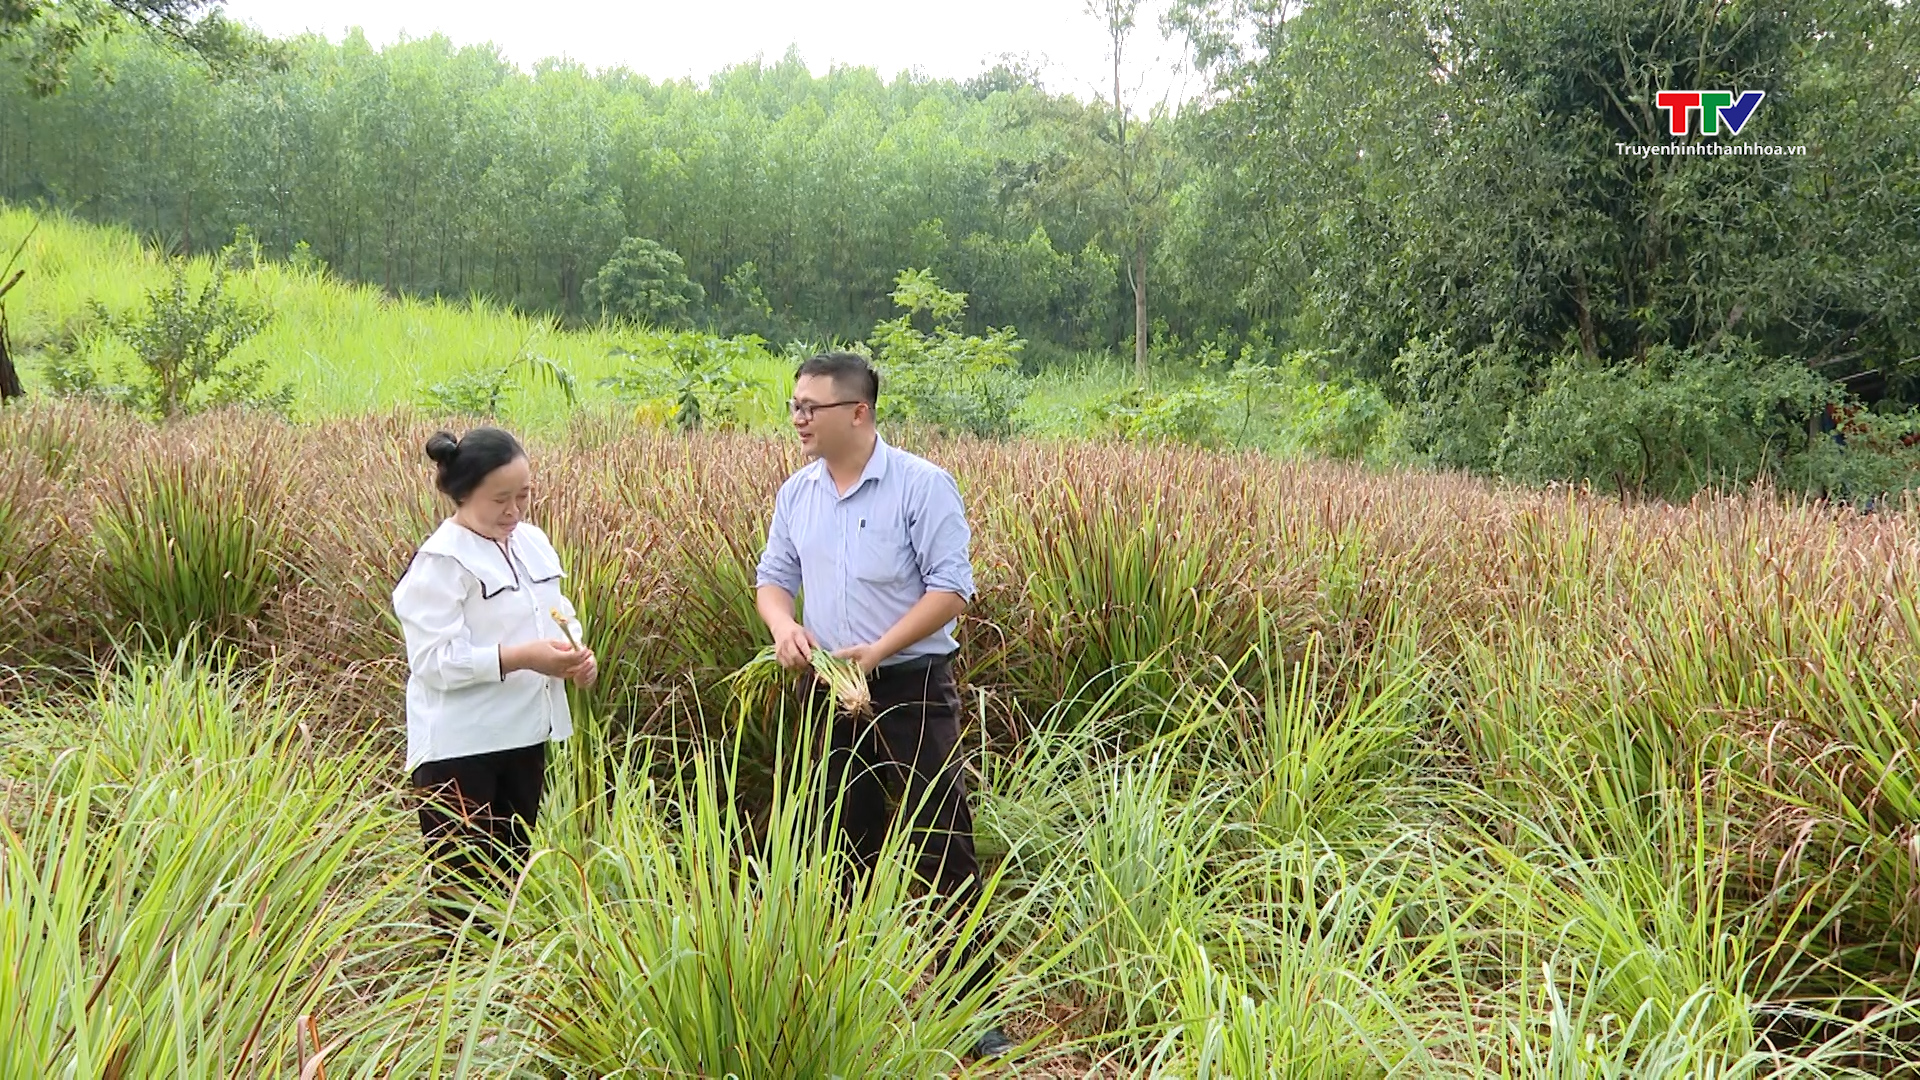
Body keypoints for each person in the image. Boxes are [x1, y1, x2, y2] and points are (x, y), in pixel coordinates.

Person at [753, 351, 1014, 1061]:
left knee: (941, 842)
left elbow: (952, 589)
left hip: (910, 684)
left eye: (812, 407)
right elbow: (773, 580)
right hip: (827, 687)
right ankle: (842, 994)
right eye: (794, 406)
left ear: (858, 413)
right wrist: (785, 629)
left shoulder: (922, 487)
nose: (799, 418)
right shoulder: (796, 494)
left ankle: (971, 1010)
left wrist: (876, 650)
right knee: (835, 841)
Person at [392, 426, 597, 935]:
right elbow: (435, 661)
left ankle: (502, 994)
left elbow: (554, 611)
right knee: (464, 889)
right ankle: (458, 999)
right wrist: (524, 657)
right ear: (462, 496)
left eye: (523, 495)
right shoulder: (440, 562)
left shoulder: (531, 542)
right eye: (499, 499)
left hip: (524, 734)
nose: (514, 511)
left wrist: (575, 656)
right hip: (461, 747)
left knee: (510, 873)